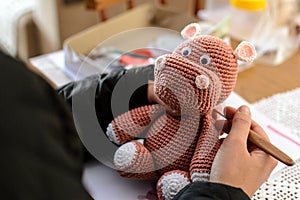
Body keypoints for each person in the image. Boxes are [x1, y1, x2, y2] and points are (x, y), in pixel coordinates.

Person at [0, 50, 277, 200]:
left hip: (178, 170)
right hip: (149, 152)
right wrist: (223, 191)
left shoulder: (15, 99)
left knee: (175, 182)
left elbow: (34, 116)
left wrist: (127, 92)